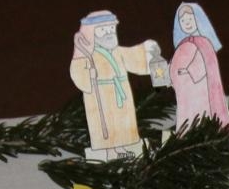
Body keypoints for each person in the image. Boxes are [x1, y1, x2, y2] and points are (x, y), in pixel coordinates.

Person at [68, 11, 165, 159]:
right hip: (102, 97)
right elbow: (77, 71)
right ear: (92, 33)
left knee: (122, 122)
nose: (108, 33)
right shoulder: (87, 56)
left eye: (111, 28)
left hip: (122, 94)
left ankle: (121, 147)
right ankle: (110, 152)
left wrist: (148, 51)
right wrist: (89, 75)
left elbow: (134, 56)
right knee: (107, 125)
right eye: (103, 30)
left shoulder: (118, 52)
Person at [165, 2, 229, 129]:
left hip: (201, 92)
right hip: (185, 94)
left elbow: (206, 63)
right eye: (183, 20)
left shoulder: (204, 43)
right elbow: (174, 65)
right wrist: (168, 74)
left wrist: (189, 71)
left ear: (197, 19)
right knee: (187, 117)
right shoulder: (182, 45)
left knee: (201, 115)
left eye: (190, 19)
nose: (187, 23)